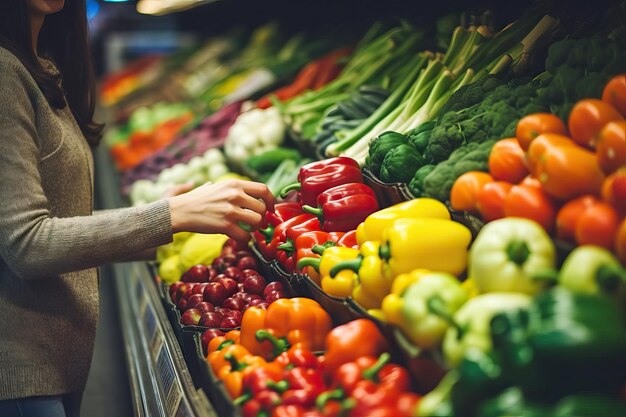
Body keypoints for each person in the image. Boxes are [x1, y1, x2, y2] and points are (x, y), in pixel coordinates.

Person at [0, 1, 275, 416]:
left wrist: (176, 214)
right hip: (22, 370)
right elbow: (26, 243)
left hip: (55, 357)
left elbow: (54, 221)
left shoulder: (40, 65)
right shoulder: (5, 74)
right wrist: (170, 215)